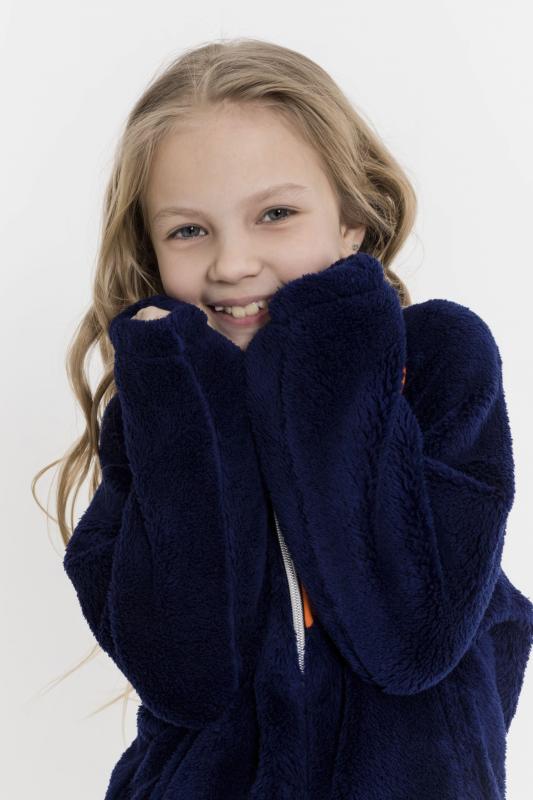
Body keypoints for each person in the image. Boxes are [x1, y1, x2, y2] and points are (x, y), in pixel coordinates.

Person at [55, 37, 533, 799]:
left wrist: (332, 338)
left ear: (352, 219)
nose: (232, 263)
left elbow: (408, 642)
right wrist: (176, 388)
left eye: (275, 214)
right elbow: (185, 679)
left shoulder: (438, 364)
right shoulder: (158, 409)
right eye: (188, 230)